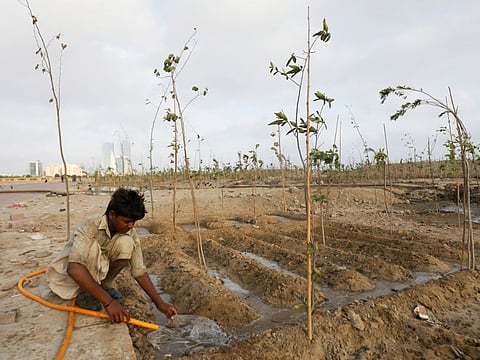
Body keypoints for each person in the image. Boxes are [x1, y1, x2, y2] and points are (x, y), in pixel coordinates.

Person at [46, 187, 177, 323]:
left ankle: (102, 287)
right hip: (71, 278)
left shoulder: (130, 233)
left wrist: (160, 303)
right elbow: (74, 268)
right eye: (127, 221)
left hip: (98, 275)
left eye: (134, 222)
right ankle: (86, 293)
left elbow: (139, 271)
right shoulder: (90, 226)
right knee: (92, 250)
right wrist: (109, 303)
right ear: (112, 214)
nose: (131, 226)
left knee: (126, 243)